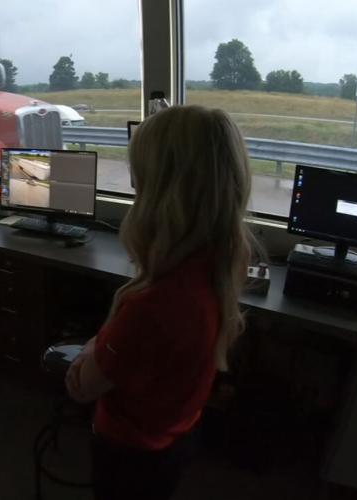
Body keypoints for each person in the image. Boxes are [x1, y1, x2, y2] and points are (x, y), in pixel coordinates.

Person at [65, 105, 255, 500]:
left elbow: (82, 387)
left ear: (160, 192)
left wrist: (91, 346)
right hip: (178, 433)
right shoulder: (226, 261)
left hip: (129, 454)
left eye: (139, 182)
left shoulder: (151, 305)